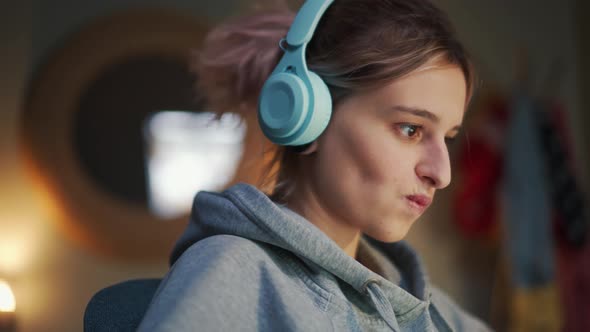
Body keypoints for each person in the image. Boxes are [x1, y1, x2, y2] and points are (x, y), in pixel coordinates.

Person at [138, 0, 492, 331]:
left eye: (448, 137)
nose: (441, 174)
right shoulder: (227, 272)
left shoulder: (433, 308)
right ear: (308, 116)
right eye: (411, 129)